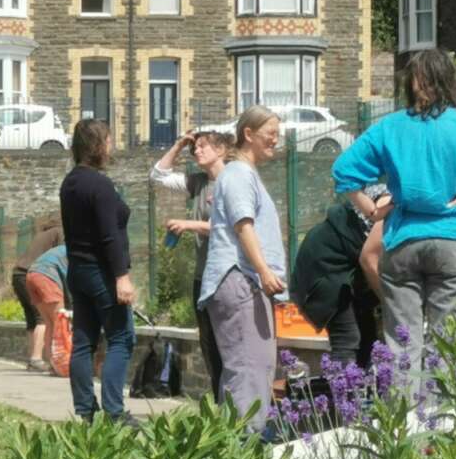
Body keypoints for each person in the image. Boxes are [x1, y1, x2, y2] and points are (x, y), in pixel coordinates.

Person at [332, 49, 456, 370]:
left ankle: (405, 416)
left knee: (402, 341)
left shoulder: (390, 127)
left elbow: (344, 171)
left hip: (402, 242)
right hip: (452, 239)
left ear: (411, 85)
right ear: (449, 80)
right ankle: (442, 417)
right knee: (448, 341)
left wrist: (373, 210)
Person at [198, 106, 287, 432]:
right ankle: (243, 457)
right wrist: (264, 271)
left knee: (253, 368)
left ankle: (234, 450)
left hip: (247, 281)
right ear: (248, 134)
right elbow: (242, 224)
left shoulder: (242, 174)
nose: (275, 140)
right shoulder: (237, 174)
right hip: (242, 280)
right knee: (249, 370)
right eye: (270, 133)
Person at [59, 118, 137, 425]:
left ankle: (85, 411)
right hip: (102, 273)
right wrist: (122, 276)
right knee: (121, 338)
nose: (111, 146)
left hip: (77, 270)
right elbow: (109, 235)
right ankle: (115, 413)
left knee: (84, 342)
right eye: (108, 140)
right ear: (97, 145)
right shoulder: (100, 184)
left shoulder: (71, 182)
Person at [152, 130, 233, 400]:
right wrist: (178, 145)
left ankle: (236, 405)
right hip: (203, 276)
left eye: (202, 146)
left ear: (221, 150)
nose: (196, 151)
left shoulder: (234, 180)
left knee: (228, 344)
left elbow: (231, 227)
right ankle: (219, 404)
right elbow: (158, 176)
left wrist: (189, 224)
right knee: (208, 344)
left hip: (228, 275)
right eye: (194, 147)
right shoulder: (197, 182)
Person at [290, 185, 390, 367]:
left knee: (367, 336)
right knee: (348, 336)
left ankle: (364, 391)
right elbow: (369, 260)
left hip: (350, 268)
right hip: (325, 265)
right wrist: (388, 300)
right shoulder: (395, 204)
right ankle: (344, 389)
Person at [10, 218, 63, 368]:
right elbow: (61, 256)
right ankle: (37, 358)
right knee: (43, 318)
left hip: (19, 274)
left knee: (32, 318)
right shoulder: (59, 233)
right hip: (36, 273)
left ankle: (33, 358)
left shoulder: (43, 233)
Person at [24, 244, 71, 376]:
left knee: (50, 324)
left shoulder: (64, 248)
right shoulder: (80, 252)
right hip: (46, 275)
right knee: (60, 322)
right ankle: (61, 365)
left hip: (31, 275)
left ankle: (53, 365)